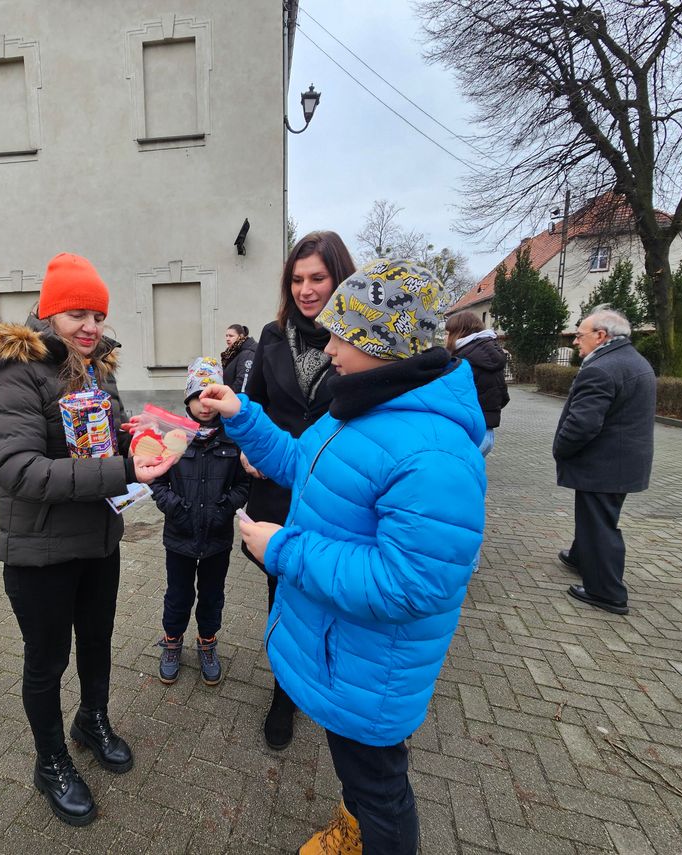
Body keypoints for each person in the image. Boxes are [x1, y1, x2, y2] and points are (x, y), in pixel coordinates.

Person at [199, 257, 487, 855]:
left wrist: (284, 549)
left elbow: (410, 585)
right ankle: (353, 827)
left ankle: (370, 835)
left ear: (380, 342)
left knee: (382, 789)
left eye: (340, 334)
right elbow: (302, 464)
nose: (328, 348)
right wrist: (242, 416)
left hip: (372, 666)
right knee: (360, 775)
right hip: (346, 650)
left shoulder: (433, 453)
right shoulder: (362, 406)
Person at [0, 253, 176, 827]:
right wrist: (124, 470)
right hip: (40, 554)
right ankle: (50, 760)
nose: (90, 326)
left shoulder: (98, 368)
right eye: (77, 313)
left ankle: (93, 720)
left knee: (98, 642)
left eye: (98, 314)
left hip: (98, 542)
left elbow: (110, 437)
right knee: (48, 660)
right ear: (49, 313)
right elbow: (20, 471)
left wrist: (148, 436)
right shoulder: (17, 374)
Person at [244, 229, 356, 750]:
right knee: (281, 584)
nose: (306, 289)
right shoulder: (271, 335)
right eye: (297, 279)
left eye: (318, 278)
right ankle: (284, 691)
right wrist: (250, 444)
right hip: (277, 482)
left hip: (334, 488)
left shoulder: (359, 339)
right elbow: (257, 401)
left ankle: (329, 676)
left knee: (330, 582)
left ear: (339, 278)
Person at [151, 357, 250, 686]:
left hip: (217, 538)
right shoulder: (174, 435)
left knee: (212, 594)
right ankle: (172, 641)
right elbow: (156, 480)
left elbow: (244, 485)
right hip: (179, 535)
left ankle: (207, 642)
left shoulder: (233, 440)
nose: (203, 405)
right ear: (188, 400)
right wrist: (174, 506)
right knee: (177, 594)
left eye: (211, 397)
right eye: (197, 397)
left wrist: (225, 508)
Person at [554, 305, 655, 616]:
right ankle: (581, 557)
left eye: (580, 335)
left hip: (604, 463)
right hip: (622, 460)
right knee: (596, 516)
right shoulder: (632, 360)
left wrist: (562, 448)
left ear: (600, 336)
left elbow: (583, 424)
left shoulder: (601, 368)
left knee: (600, 523)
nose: (575, 341)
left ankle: (607, 591)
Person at [445, 310, 510, 456]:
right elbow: (503, 396)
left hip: (466, 432)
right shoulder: (491, 355)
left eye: (448, 332)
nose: (445, 337)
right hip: (487, 432)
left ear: (458, 333)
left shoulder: (462, 360)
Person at [221, 324, 257, 393]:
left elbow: (243, 380)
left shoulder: (247, 353)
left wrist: (232, 396)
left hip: (240, 399)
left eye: (231, 336)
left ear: (240, 336)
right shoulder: (233, 353)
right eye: (226, 336)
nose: (227, 339)